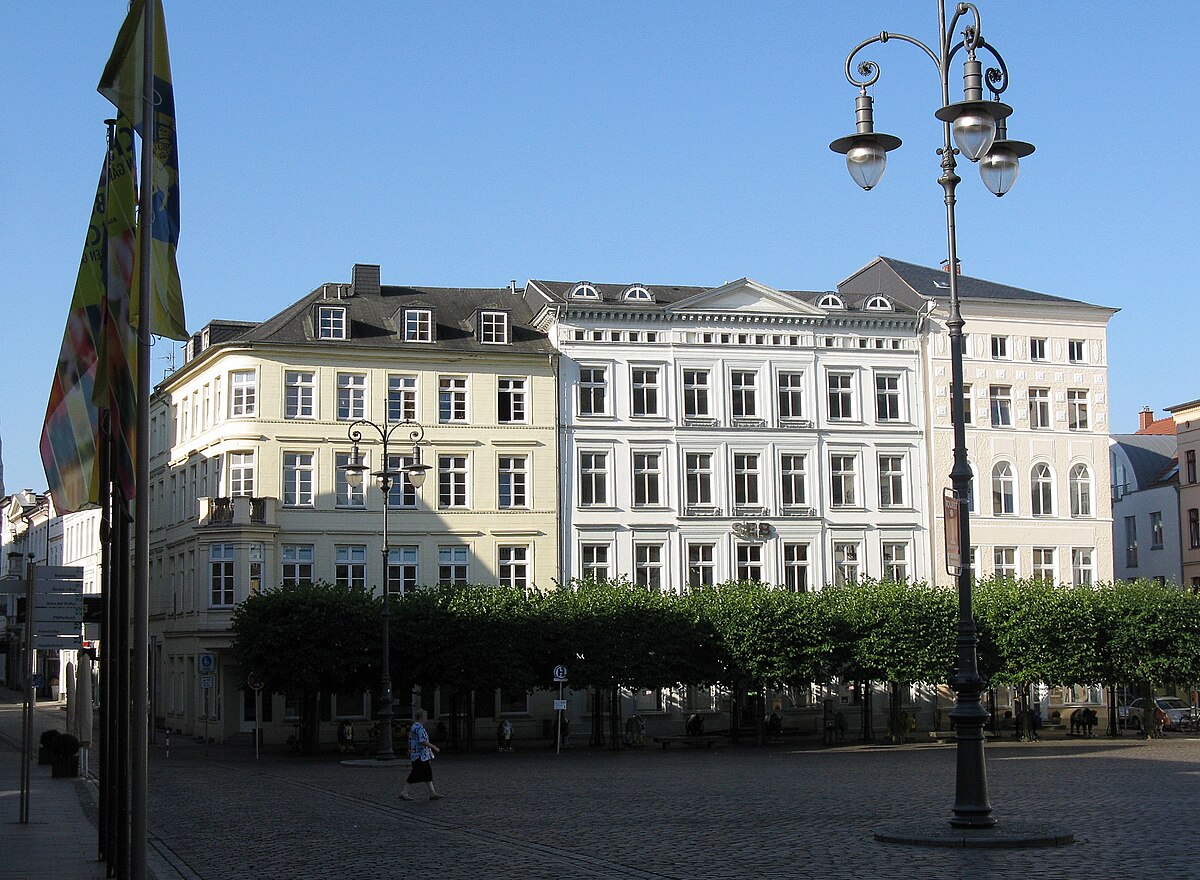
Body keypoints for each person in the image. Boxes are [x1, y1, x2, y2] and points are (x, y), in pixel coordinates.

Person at [400, 710, 442, 801]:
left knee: (427, 772)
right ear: (422, 717)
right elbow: (422, 741)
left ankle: (432, 792)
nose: (426, 718)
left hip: (422, 755)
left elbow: (410, 739)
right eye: (425, 716)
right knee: (415, 773)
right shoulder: (418, 728)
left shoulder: (415, 726)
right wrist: (434, 747)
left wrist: (409, 748)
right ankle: (404, 792)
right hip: (420, 755)